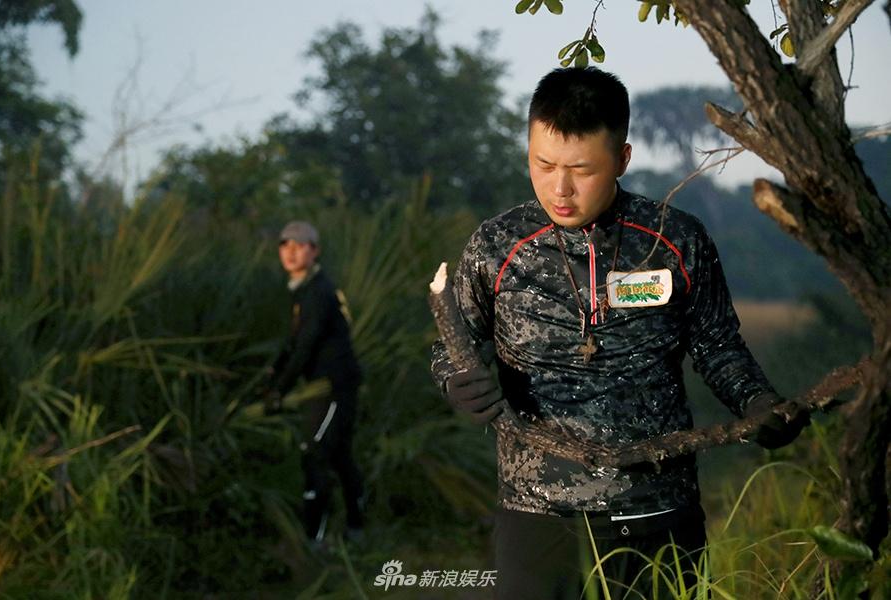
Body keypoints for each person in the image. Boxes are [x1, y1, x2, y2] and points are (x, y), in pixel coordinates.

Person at [430, 67, 809, 599]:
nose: (559, 189)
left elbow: (718, 347)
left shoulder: (676, 240)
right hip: (538, 514)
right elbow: (452, 347)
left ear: (622, 160)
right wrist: (456, 383)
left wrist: (757, 401)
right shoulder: (495, 246)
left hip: (658, 509)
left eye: (581, 170)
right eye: (543, 164)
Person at [265, 220, 365, 543]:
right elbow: (291, 343)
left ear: (315, 250)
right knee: (337, 455)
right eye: (285, 244)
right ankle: (355, 526)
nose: (291, 251)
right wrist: (270, 377)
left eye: (300, 244)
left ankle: (313, 540)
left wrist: (279, 390)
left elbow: (306, 345)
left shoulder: (319, 292)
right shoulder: (301, 291)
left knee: (315, 451)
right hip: (318, 387)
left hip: (334, 388)